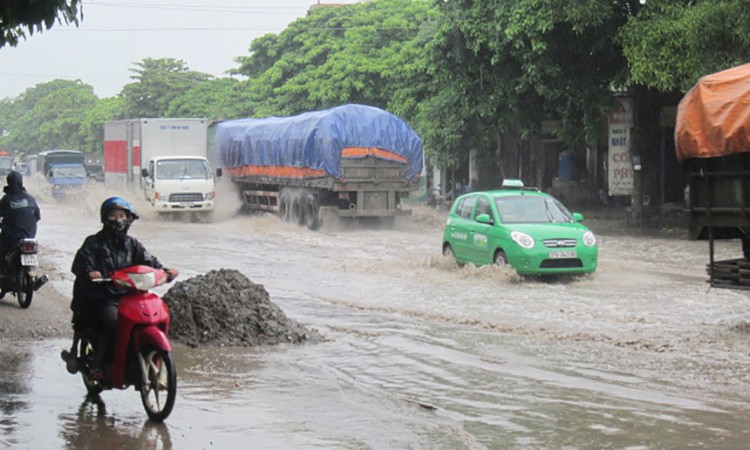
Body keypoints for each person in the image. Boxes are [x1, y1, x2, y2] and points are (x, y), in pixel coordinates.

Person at [62, 197, 178, 377]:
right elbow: (81, 264)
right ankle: (98, 364)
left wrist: (165, 271)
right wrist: (90, 272)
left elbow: (150, 262)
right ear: (105, 218)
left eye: (121, 215)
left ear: (128, 219)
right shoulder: (93, 243)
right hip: (103, 296)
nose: (118, 220)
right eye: (113, 215)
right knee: (112, 321)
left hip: (130, 296)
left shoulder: (133, 244)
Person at [0, 171, 41, 282]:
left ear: (9, 183)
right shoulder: (30, 198)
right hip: (30, 236)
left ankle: (3, 274)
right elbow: (38, 217)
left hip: (11, 238)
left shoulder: (6, 200)